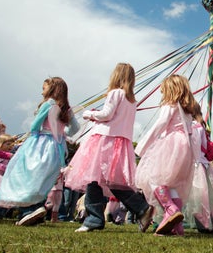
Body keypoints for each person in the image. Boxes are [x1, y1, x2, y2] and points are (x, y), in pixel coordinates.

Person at [63, 64, 154, 233]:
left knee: (94, 178)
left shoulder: (115, 93)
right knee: (112, 181)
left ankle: (94, 219)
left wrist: (89, 114)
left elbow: (107, 115)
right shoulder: (131, 100)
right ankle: (141, 208)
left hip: (105, 141)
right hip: (121, 142)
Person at [0, 77, 79, 226]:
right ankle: (36, 212)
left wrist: (35, 137)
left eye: (44, 88)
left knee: (27, 177)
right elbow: (75, 129)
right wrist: (62, 133)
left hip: (40, 144)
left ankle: (29, 211)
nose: (42, 92)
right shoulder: (67, 109)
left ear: (52, 89)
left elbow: (35, 126)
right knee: (42, 180)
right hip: (57, 148)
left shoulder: (48, 104)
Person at [135, 74, 197, 236]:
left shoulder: (169, 105)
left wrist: (142, 145)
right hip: (186, 148)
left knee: (154, 179)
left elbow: (160, 124)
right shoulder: (187, 111)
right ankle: (177, 227)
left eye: (163, 88)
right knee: (172, 185)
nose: (160, 91)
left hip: (171, 144)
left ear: (170, 89)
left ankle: (171, 209)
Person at [184, 101, 213, 234]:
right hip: (203, 166)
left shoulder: (194, 127)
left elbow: (193, 147)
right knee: (206, 198)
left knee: (200, 198)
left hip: (197, 166)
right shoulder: (201, 127)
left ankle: (205, 225)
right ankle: (210, 224)